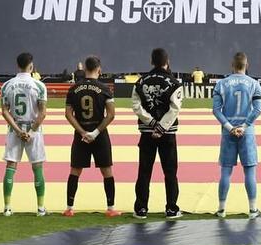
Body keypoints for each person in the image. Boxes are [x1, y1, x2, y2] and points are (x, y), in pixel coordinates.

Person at [63, 56, 119, 216]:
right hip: (99, 134)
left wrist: (82, 132)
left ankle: (69, 208)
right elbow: (111, 115)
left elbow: (68, 114)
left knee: (75, 170)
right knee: (106, 170)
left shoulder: (73, 89)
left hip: (80, 134)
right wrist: (95, 133)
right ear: (99, 69)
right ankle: (111, 209)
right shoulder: (105, 89)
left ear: (85, 69)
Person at [131, 47, 182, 220]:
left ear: (151, 61)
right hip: (167, 134)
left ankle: (141, 208)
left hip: (146, 132)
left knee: (144, 171)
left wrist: (152, 123)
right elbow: (175, 109)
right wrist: (161, 127)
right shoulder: (174, 82)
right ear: (167, 61)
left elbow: (136, 107)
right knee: (170, 172)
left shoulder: (140, 82)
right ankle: (171, 209)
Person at [213, 51, 261, 218]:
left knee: (226, 172)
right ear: (246, 65)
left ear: (232, 66)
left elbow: (216, 110)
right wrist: (244, 126)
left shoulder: (221, 84)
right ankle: (253, 210)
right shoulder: (254, 84)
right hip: (246, 132)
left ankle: (221, 209)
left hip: (228, 132)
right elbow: (257, 109)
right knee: (250, 171)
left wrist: (229, 127)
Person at [0, 52, 50, 217]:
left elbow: (4, 111)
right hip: (33, 129)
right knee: (37, 167)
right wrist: (31, 131)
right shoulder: (39, 86)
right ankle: (40, 208)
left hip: (15, 129)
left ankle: (7, 207)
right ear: (31, 66)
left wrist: (17, 129)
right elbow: (42, 113)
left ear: (17, 65)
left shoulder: (7, 85)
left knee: (11, 166)